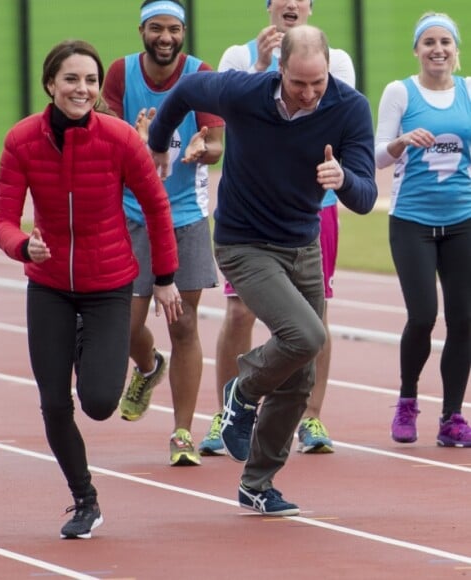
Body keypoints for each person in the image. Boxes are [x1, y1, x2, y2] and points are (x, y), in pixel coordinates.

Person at [148, 25, 377, 515]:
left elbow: (367, 196)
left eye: (318, 83)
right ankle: (242, 387)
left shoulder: (348, 107)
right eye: (299, 83)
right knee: (306, 336)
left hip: (302, 242)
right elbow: (186, 90)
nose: (310, 93)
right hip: (243, 242)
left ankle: (257, 482)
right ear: (280, 70)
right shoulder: (244, 90)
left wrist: (344, 180)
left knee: (299, 374)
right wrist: (158, 141)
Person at [0, 39, 181, 539]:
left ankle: (104, 349)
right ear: (50, 84)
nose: (82, 89)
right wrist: (20, 246)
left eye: (91, 80)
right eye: (72, 79)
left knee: (97, 401)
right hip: (49, 285)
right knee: (54, 402)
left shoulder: (119, 138)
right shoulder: (22, 140)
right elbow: (2, 219)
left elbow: (158, 208)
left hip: (107, 283)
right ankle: (84, 499)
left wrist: (163, 278)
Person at [199, 0, 355, 457]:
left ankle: (310, 416)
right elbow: (225, 115)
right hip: (252, 209)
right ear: (268, 6)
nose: (291, 3)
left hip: (314, 204)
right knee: (239, 312)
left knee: (314, 316)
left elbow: (337, 117)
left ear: (310, 7)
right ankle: (226, 410)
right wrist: (263, 68)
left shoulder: (336, 59)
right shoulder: (237, 55)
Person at [102, 0, 224, 467]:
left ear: (184, 32)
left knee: (184, 323)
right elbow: (108, 133)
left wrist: (202, 147)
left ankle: (181, 433)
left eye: (174, 29)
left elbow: (215, 142)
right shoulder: (120, 73)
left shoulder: (201, 74)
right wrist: (132, 137)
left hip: (186, 215)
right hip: (131, 213)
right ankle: (149, 366)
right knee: (126, 326)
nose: (165, 37)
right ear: (142, 31)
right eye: (157, 28)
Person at [376, 12, 471, 448]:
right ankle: (407, 401)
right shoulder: (400, 92)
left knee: (464, 319)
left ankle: (452, 417)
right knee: (421, 315)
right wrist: (399, 143)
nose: (438, 49)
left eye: (445, 42)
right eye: (429, 42)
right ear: (417, 50)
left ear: (456, 49)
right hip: (412, 221)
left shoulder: (469, 91)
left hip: (463, 221)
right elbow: (376, 156)